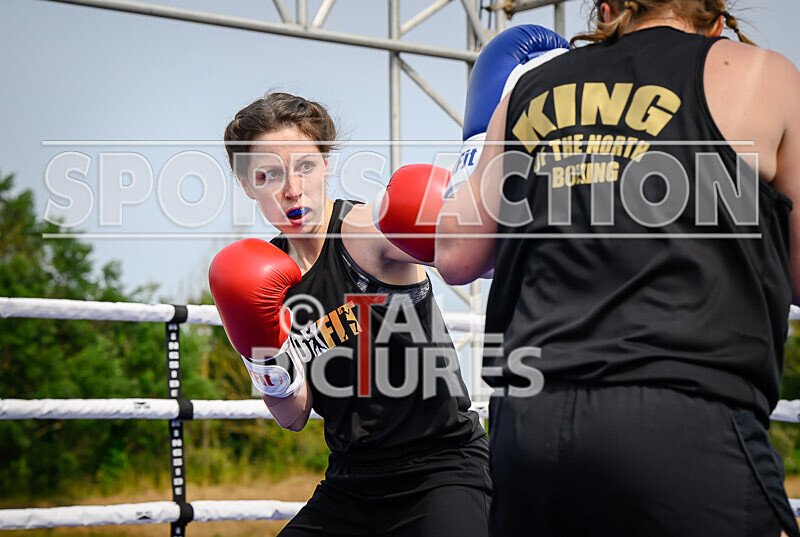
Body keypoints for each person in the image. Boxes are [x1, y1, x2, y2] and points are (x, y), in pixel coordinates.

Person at [434, 1, 800, 536]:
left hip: (529, 431)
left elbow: (456, 254)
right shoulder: (761, 74)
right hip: (684, 418)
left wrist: (478, 151)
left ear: (605, 10)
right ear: (716, 20)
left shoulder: (526, 92)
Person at [208, 92, 491, 537]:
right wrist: (262, 355)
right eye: (269, 175)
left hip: (440, 469)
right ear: (247, 184)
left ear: (326, 164)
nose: (292, 190)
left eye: (305, 166)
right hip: (350, 482)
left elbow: (461, 252)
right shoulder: (262, 280)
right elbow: (293, 415)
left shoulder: (366, 233)